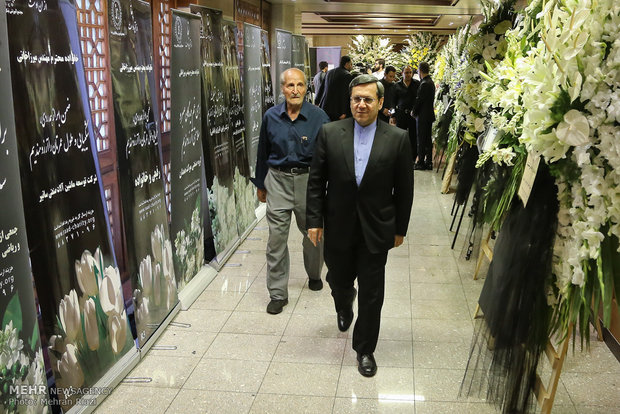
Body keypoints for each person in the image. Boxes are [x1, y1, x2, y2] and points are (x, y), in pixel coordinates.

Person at [306, 74, 414, 377]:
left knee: (372, 293)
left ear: (381, 103)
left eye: (368, 99)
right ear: (349, 101)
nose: (361, 105)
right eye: (356, 99)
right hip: (338, 225)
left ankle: (365, 349)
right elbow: (316, 182)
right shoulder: (330, 132)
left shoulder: (398, 138)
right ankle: (343, 301)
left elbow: (404, 189)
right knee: (338, 280)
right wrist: (314, 220)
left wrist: (399, 229)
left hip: (376, 228)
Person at [254, 68, 330, 315]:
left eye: (299, 85)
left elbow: (329, 157)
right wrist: (260, 184)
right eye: (290, 86)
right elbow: (262, 152)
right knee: (276, 239)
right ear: (282, 88)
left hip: (310, 182)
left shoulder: (320, 117)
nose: (295, 90)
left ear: (306, 88)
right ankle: (277, 293)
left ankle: (314, 273)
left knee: (313, 234)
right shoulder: (271, 117)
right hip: (278, 181)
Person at [413, 61, 436, 170]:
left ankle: (421, 162)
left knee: (421, 139)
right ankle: (429, 161)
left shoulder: (424, 83)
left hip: (422, 115)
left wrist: (414, 111)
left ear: (420, 70)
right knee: (427, 139)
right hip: (429, 114)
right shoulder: (430, 82)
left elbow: (419, 100)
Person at [394, 65, 420, 164]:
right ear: (402, 73)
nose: (408, 74)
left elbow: (419, 99)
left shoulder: (417, 84)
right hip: (401, 114)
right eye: (406, 72)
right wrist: (393, 115)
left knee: (413, 137)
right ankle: (400, 157)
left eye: (409, 72)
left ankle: (413, 157)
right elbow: (393, 101)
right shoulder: (397, 85)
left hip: (413, 115)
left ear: (412, 74)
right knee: (400, 136)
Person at [316, 55, 353, 121]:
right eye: (351, 64)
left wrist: (317, 102)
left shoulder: (329, 72)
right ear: (347, 64)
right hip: (337, 111)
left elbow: (321, 88)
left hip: (325, 107)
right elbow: (345, 94)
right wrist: (344, 111)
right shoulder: (347, 75)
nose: (351, 66)